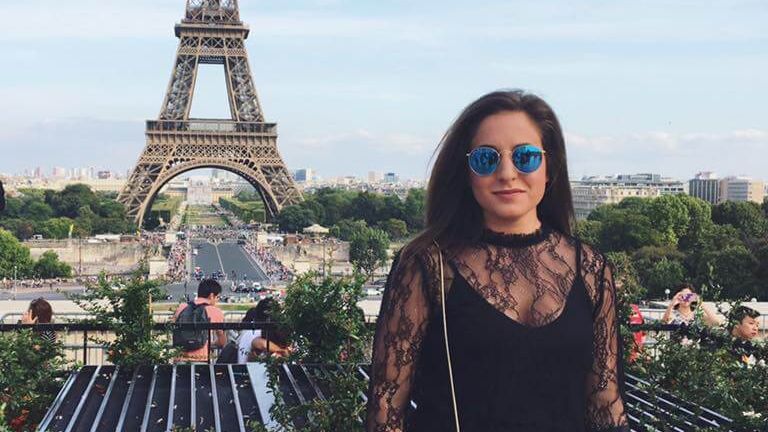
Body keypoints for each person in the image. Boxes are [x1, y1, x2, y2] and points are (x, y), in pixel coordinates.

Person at [366, 90, 628, 431]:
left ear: (550, 169)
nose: (507, 172)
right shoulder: (428, 265)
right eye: (487, 159)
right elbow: (386, 409)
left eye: (527, 157)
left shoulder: (591, 268)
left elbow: (606, 405)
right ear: (467, 172)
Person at [173, 279, 226, 362]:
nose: (217, 301)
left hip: (179, 359)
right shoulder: (215, 311)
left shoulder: (182, 307)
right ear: (211, 295)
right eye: (217, 297)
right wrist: (210, 343)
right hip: (201, 360)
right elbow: (222, 342)